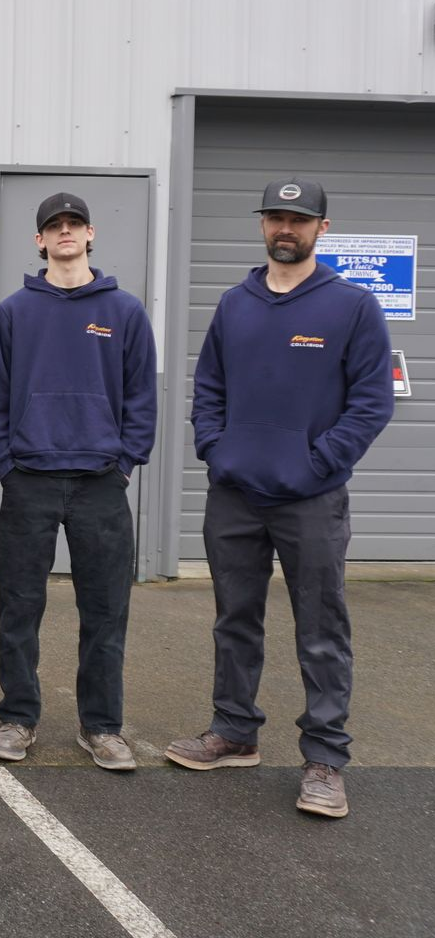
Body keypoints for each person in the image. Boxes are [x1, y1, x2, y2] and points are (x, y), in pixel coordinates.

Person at [168, 178, 392, 819]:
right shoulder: (235, 304)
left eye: (298, 219)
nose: (285, 229)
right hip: (235, 494)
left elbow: (370, 403)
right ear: (263, 224)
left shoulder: (352, 306)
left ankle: (324, 759)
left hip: (311, 500)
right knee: (234, 620)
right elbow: (209, 387)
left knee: (322, 630)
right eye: (275, 217)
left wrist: (316, 463)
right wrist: (217, 450)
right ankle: (234, 731)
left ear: (323, 227)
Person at [0, 193, 157, 771]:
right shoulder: (15, 312)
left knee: (105, 612)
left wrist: (125, 462)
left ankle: (101, 727)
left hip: (100, 482)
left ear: (90, 233)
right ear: (39, 240)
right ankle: (17, 718)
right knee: (19, 606)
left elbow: (141, 396)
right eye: (53, 226)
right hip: (29, 479)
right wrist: (5, 464)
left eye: (73, 224)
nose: (64, 232)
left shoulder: (124, 311)